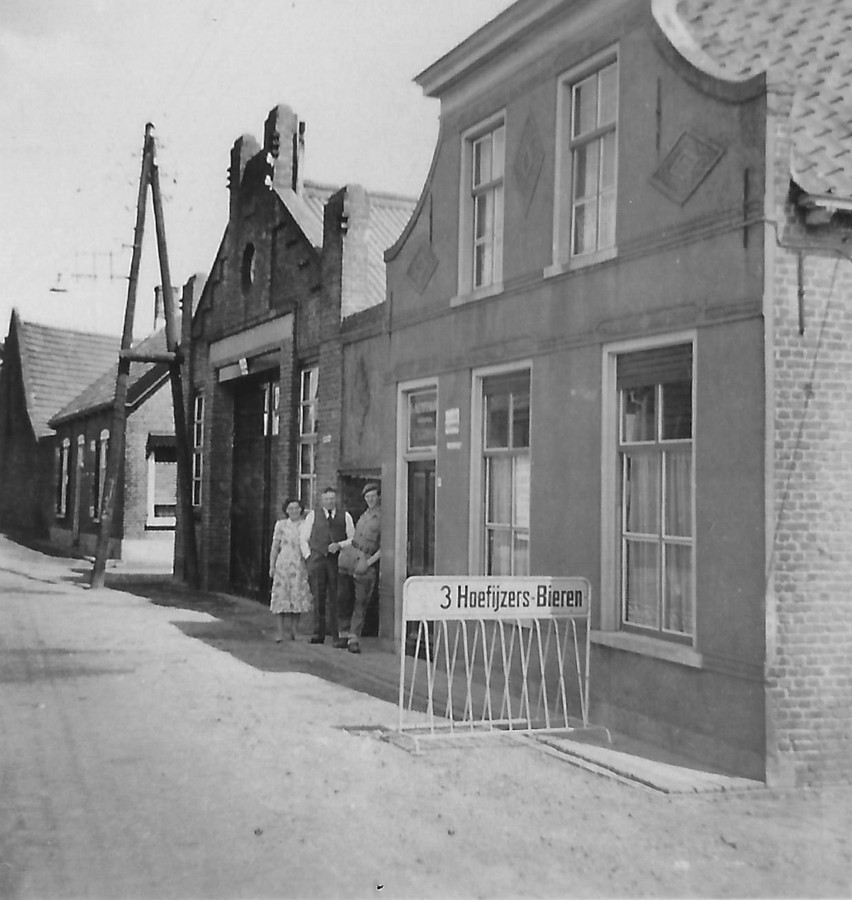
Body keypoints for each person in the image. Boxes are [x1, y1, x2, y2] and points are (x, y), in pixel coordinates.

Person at [300, 486, 354, 644]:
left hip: (336, 561)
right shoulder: (312, 516)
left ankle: (336, 635)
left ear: (336, 499)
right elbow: (303, 538)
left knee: (336, 596)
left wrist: (339, 545)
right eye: (326, 499)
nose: (329, 501)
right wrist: (309, 557)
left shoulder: (345, 516)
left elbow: (353, 538)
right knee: (318, 596)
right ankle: (318, 633)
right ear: (321, 500)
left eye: (332, 498)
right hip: (317, 560)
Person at [335, 482, 381, 654]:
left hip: (366, 559)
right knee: (344, 598)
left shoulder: (382, 517)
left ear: (378, 496)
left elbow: (385, 546)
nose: (370, 499)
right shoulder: (364, 515)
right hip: (350, 557)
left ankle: (354, 637)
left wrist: (368, 563)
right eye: (367, 496)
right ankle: (344, 634)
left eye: (373, 496)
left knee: (361, 600)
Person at [268, 498, 312, 642]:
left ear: (301, 509)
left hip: (299, 564)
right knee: (281, 597)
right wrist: (272, 565)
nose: (294, 511)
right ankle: (280, 632)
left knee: (297, 597)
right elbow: (275, 547)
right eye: (290, 508)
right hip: (283, 564)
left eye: (296, 508)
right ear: (286, 510)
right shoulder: (281, 525)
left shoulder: (305, 525)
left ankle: (294, 631)